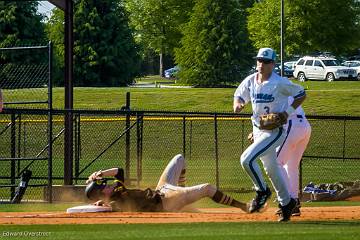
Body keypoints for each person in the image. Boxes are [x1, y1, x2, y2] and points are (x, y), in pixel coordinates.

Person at [233, 47, 306, 222]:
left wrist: (287, 113)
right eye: (259, 60)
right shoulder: (251, 80)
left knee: (246, 159)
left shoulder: (279, 82)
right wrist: (238, 104)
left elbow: (301, 94)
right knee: (272, 169)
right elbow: (239, 95)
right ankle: (287, 203)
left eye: (266, 62)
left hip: (274, 131)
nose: (261, 64)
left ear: (273, 64)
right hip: (258, 129)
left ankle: (262, 191)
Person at [85, 154, 248, 213]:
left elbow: (119, 171)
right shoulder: (115, 202)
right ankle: (243, 206)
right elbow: (112, 208)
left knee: (179, 159)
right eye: (103, 186)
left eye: (103, 183)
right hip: (168, 202)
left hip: (161, 188)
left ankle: (183, 193)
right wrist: (102, 206)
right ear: (102, 195)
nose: (106, 184)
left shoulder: (117, 188)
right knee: (207, 188)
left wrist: (100, 173)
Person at [276, 98, 311, 216]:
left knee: (275, 163)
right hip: (304, 125)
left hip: (292, 124)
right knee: (291, 166)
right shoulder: (284, 85)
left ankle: (287, 202)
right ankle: (294, 203)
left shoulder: (273, 87)